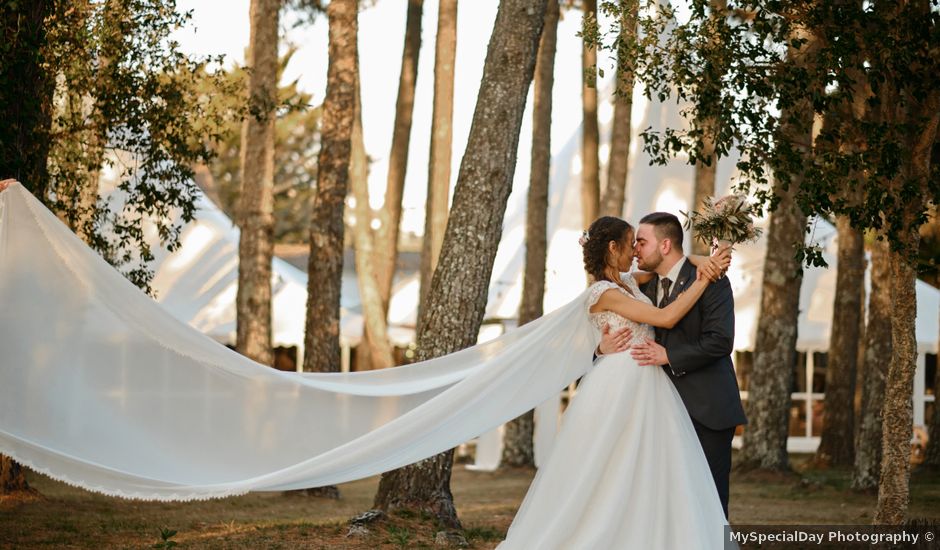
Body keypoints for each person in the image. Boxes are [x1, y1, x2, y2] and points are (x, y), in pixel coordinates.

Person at [498, 216, 732, 549]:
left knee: (649, 468)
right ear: (613, 247)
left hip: (649, 383)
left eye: (640, 242)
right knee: (609, 467)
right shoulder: (602, 292)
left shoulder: (628, 281)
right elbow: (666, 317)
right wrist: (705, 277)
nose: (636, 250)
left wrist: (705, 263)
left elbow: (676, 261)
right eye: (631, 242)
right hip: (620, 383)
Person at [598, 211, 747, 519]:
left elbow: (720, 341)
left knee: (709, 500)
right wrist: (600, 348)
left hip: (707, 409)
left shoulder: (711, 280)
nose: (636, 249)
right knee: (665, 501)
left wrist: (670, 357)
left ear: (665, 246)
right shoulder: (640, 288)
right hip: (658, 411)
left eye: (642, 242)